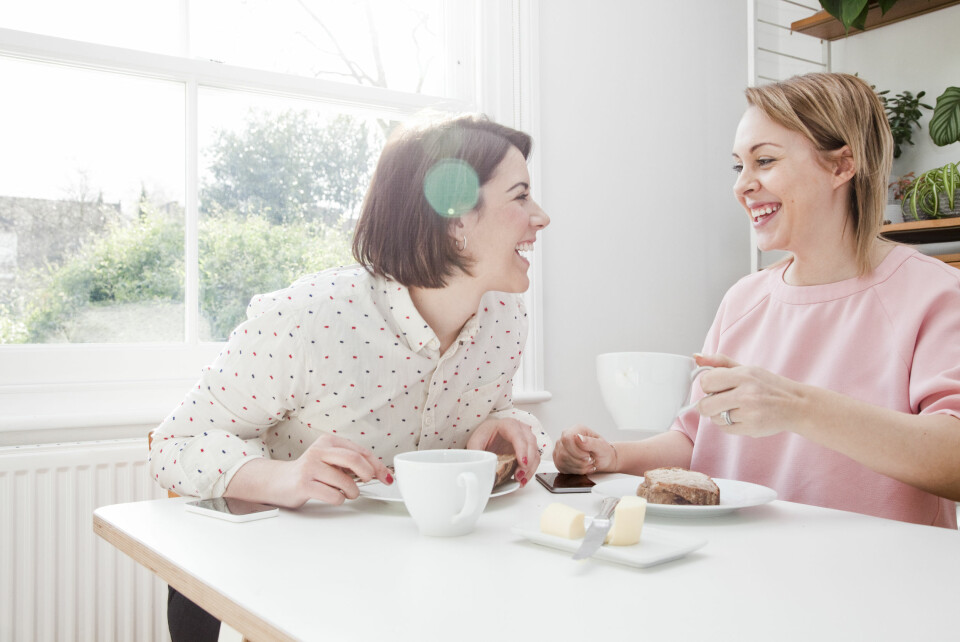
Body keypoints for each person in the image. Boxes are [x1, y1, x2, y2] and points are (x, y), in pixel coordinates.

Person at [150, 113, 550, 639]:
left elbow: (492, 411)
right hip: (274, 588)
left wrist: (504, 426)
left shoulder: (506, 318)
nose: (541, 217)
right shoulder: (309, 318)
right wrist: (285, 478)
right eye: (521, 196)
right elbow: (173, 444)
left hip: (408, 587)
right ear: (455, 221)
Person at [554, 72, 960, 529]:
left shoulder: (935, 293)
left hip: (880, 570)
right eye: (738, 167)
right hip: (744, 563)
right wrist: (613, 455)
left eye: (764, 160)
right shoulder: (743, 299)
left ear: (841, 166)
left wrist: (797, 407)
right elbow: (697, 439)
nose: (742, 185)